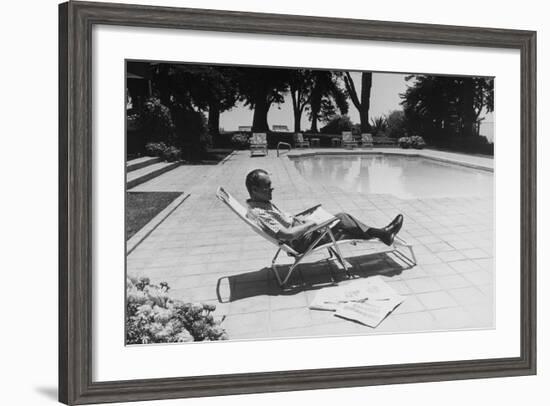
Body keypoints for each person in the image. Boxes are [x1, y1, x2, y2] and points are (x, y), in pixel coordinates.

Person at [245, 168, 404, 253]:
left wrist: (301, 218)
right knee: (342, 219)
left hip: (302, 232)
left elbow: (284, 225)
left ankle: (381, 233)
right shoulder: (259, 212)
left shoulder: (262, 203)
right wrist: (311, 223)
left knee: (344, 226)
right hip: (302, 241)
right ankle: (383, 233)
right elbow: (287, 235)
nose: (271, 188)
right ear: (254, 189)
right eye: (267, 186)